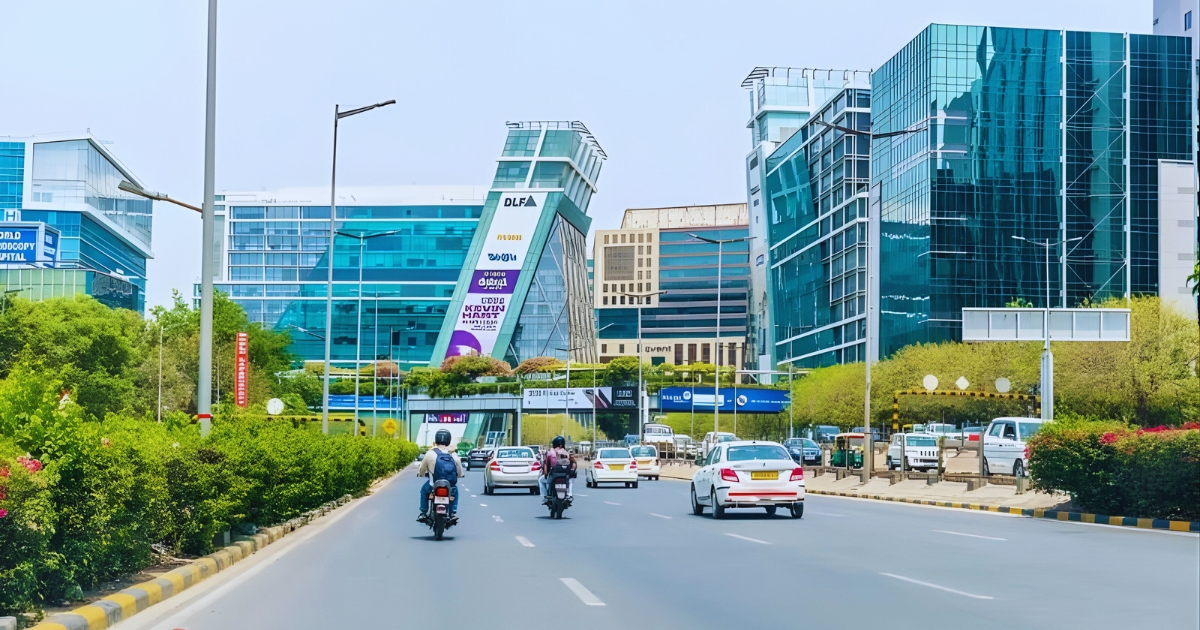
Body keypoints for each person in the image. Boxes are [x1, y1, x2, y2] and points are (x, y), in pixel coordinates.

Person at [417, 429, 465, 523]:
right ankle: (452, 513)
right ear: (448, 440)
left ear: (436, 440)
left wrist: (421, 474)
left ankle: (423, 512)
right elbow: (460, 471)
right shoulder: (453, 454)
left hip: (433, 485)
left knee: (424, 490)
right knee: (455, 492)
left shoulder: (430, 453)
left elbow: (422, 468)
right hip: (449, 486)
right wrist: (460, 475)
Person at [539, 435, 576, 504]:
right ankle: (569, 495)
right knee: (571, 480)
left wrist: (546, 474)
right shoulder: (567, 453)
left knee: (541, 480)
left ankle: (545, 496)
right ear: (562, 445)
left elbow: (546, 464)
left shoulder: (550, 453)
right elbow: (573, 463)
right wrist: (572, 471)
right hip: (565, 475)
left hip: (553, 475)